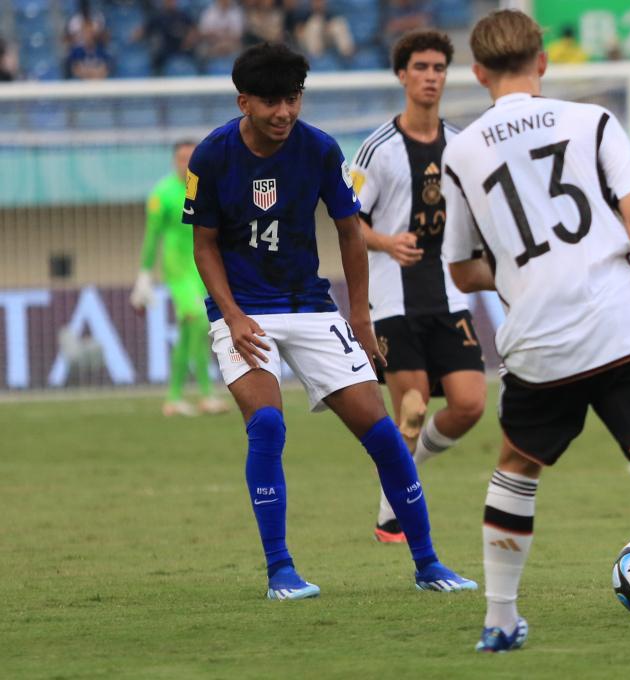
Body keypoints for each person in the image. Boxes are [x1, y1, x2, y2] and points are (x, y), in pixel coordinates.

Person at [442, 9, 630, 652]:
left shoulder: (459, 151)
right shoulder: (594, 122)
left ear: (477, 72)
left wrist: (524, 275)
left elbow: (463, 270)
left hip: (539, 339)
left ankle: (499, 621)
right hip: (623, 324)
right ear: (542, 62)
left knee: (517, 467)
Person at [186, 42, 475, 599]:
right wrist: (233, 315)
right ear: (244, 101)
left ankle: (429, 564)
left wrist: (361, 320)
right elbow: (205, 247)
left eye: (293, 100)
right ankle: (280, 571)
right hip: (244, 311)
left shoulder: (319, 149)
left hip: (311, 307)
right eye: (271, 102)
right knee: (268, 425)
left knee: (384, 436)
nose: (284, 114)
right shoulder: (212, 155)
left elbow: (349, 231)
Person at [350, 29, 486, 544]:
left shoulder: (461, 144)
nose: (431, 77)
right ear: (402, 75)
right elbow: (348, 223)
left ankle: (408, 471)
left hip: (449, 293)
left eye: (438, 68)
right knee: (411, 407)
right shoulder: (376, 150)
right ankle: (394, 505)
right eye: (421, 68)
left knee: (470, 404)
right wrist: (385, 242)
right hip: (391, 297)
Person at [131, 141, 228, 417]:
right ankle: (207, 394)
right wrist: (144, 275)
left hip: (201, 270)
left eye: (191, 157)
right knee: (197, 321)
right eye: (181, 158)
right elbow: (152, 237)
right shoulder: (162, 194)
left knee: (190, 332)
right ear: (174, 161)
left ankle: (173, 397)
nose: (186, 163)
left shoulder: (207, 188)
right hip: (178, 272)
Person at [133, 0, 198, 76]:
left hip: (184, 54)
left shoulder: (183, 15)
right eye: (168, 1)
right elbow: (143, 30)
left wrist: (190, 38)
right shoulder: (159, 16)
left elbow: (194, 30)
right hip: (166, 56)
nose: (170, 2)